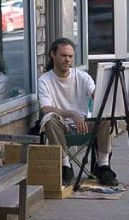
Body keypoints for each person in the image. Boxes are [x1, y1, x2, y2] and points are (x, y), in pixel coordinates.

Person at [38, 37, 118, 187]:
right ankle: (65, 166)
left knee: (105, 117)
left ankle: (103, 166)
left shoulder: (81, 76)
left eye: (70, 56)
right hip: (61, 126)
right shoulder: (45, 80)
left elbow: (95, 93)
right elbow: (46, 108)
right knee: (49, 119)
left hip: (84, 125)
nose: (67, 59)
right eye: (63, 55)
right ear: (53, 55)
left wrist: (102, 93)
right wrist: (71, 114)